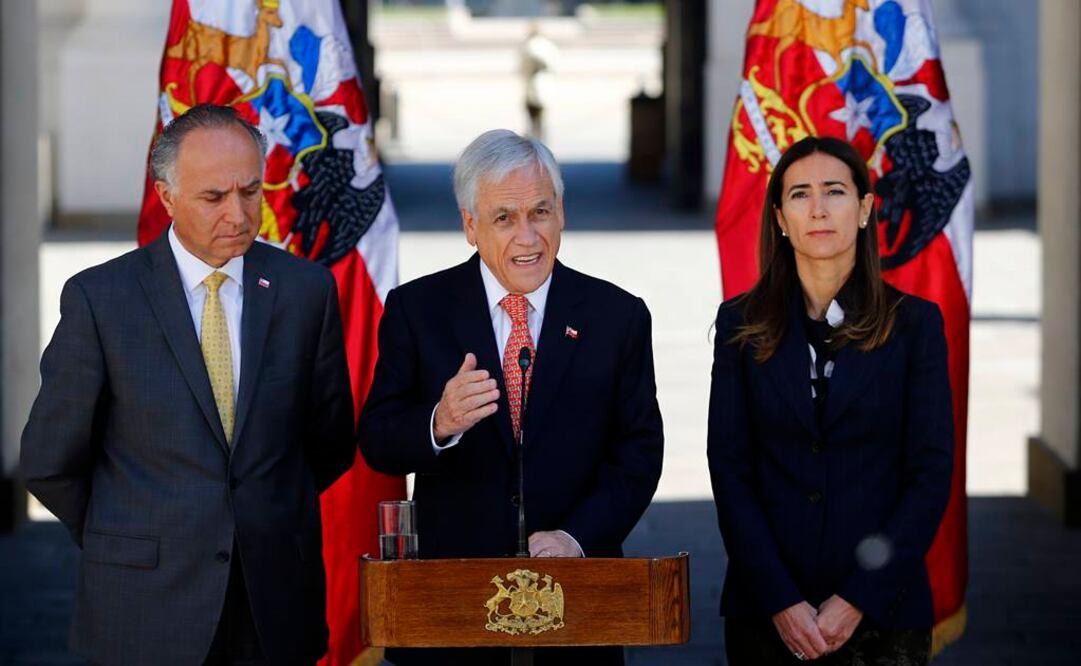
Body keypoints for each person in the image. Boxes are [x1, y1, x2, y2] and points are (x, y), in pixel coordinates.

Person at [21, 104, 356, 666]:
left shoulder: (306, 291)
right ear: (167, 197)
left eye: (251, 191)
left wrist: (259, 515)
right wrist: (126, 532)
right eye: (214, 197)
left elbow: (329, 440)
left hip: (272, 603)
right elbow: (50, 460)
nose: (239, 213)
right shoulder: (101, 300)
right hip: (144, 605)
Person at [358, 129, 664, 666]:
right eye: (504, 218)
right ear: (470, 226)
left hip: (575, 610)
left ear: (561, 213)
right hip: (453, 609)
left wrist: (578, 536)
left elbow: (638, 454)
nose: (528, 237)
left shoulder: (617, 317)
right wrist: (439, 421)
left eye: (540, 213)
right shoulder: (417, 310)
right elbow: (379, 439)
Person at [707, 136, 954, 665]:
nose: (818, 208)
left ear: (865, 208)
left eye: (835, 191)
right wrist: (781, 600)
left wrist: (857, 598)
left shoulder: (916, 326)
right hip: (767, 613)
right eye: (799, 194)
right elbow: (730, 470)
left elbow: (930, 475)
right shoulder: (739, 324)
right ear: (779, 217)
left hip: (884, 613)